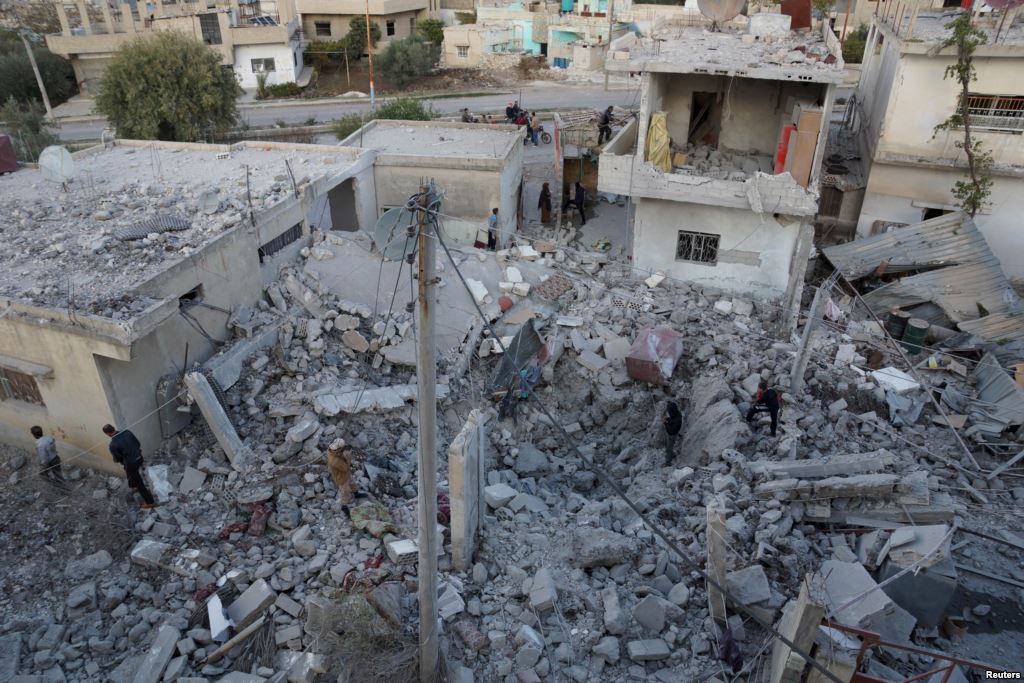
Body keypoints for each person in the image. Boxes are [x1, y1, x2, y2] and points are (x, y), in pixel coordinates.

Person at [103, 424, 157, 508]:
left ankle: (150, 502)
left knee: (139, 483)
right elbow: (138, 444)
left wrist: (122, 460)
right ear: (114, 428)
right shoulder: (127, 432)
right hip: (139, 457)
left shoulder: (113, 444)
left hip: (131, 463)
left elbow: (117, 459)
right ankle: (133, 485)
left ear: (107, 434)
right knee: (129, 471)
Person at [662, 400, 682, 466]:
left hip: (672, 435)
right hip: (672, 433)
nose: (669, 412)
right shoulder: (676, 413)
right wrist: (667, 419)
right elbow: (672, 421)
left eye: (669, 411)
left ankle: (668, 463)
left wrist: (665, 422)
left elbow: (671, 430)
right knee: (668, 446)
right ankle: (672, 455)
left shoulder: (677, 419)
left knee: (668, 449)